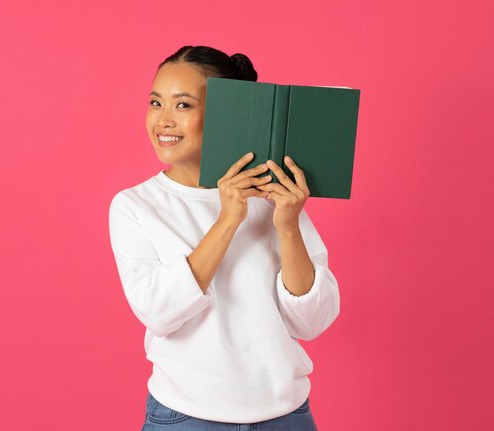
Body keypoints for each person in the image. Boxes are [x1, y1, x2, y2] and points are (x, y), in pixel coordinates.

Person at [108, 45, 340, 430]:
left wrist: (287, 224)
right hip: (186, 417)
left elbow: (312, 321)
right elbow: (158, 313)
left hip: (285, 415)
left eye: (183, 106)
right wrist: (228, 218)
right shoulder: (135, 206)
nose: (163, 120)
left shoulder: (273, 196)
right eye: (155, 102)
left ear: (225, 113)